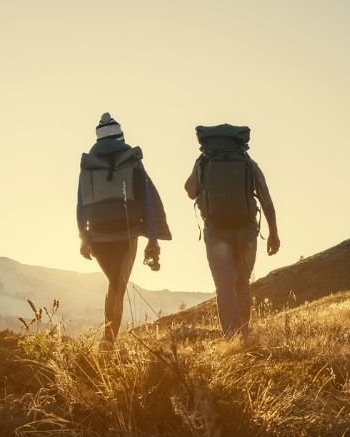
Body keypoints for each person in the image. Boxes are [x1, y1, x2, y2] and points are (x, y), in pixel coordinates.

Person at [76, 112, 170, 343]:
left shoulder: (88, 165)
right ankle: (108, 343)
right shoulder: (132, 161)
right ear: (121, 137)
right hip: (126, 234)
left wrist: (84, 238)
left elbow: (80, 204)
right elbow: (147, 199)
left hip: (97, 238)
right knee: (118, 286)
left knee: (115, 285)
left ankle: (108, 341)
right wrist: (153, 238)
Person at [183, 124, 279, 337]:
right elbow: (266, 199)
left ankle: (231, 337)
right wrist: (273, 233)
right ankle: (244, 333)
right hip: (246, 231)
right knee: (242, 283)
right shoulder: (247, 162)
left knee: (224, 286)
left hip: (216, 232)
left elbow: (190, 191)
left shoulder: (204, 162)